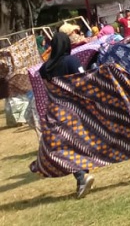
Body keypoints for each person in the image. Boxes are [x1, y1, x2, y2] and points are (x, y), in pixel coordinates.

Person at [39, 31, 95, 198]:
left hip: (55, 112)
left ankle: (81, 179)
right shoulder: (71, 61)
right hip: (73, 110)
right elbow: (82, 80)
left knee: (65, 146)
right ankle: (81, 176)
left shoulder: (44, 68)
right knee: (77, 143)